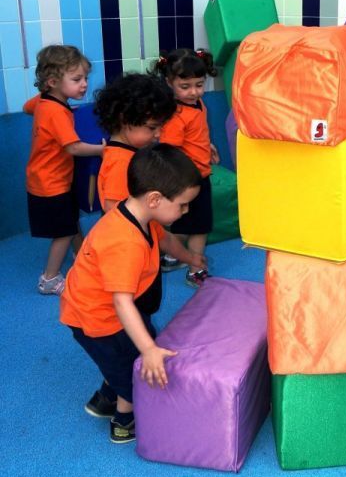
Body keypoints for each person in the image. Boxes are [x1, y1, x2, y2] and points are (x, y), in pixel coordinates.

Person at [60, 144, 206, 443]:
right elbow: (121, 301)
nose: (186, 210)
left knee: (135, 346)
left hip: (109, 308)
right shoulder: (124, 242)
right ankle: (124, 422)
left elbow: (166, 244)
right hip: (97, 318)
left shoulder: (142, 217)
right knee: (134, 370)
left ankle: (103, 400)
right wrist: (149, 351)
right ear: (154, 199)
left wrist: (192, 257)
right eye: (182, 205)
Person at [24, 45, 104, 295]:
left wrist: (60, 111)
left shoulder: (46, 100)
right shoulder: (56, 111)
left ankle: (81, 255)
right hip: (51, 183)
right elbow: (74, 149)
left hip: (47, 178)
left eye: (85, 78)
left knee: (70, 221)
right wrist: (103, 149)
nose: (84, 85)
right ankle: (49, 278)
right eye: (77, 79)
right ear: (52, 82)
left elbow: (29, 107)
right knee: (63, 231)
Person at [151, 48, 219, 287]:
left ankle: (170, 256)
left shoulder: (198, 104)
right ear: (170, 83)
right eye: (185, 86)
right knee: (200, 227)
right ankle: (195, 270)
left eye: (199, 84)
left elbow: (196, 133)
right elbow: (169, 151)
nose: (194, 92)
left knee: (183, 221)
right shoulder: (177, 115)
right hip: (191, 179)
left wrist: (206, 145)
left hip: (197, 172)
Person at [94, 73, 177, 211]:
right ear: (125, 119)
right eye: (152, 127)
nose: (158, 134)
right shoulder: (121, 162)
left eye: (161, 127)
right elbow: (115, 213)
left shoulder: (127, 153)